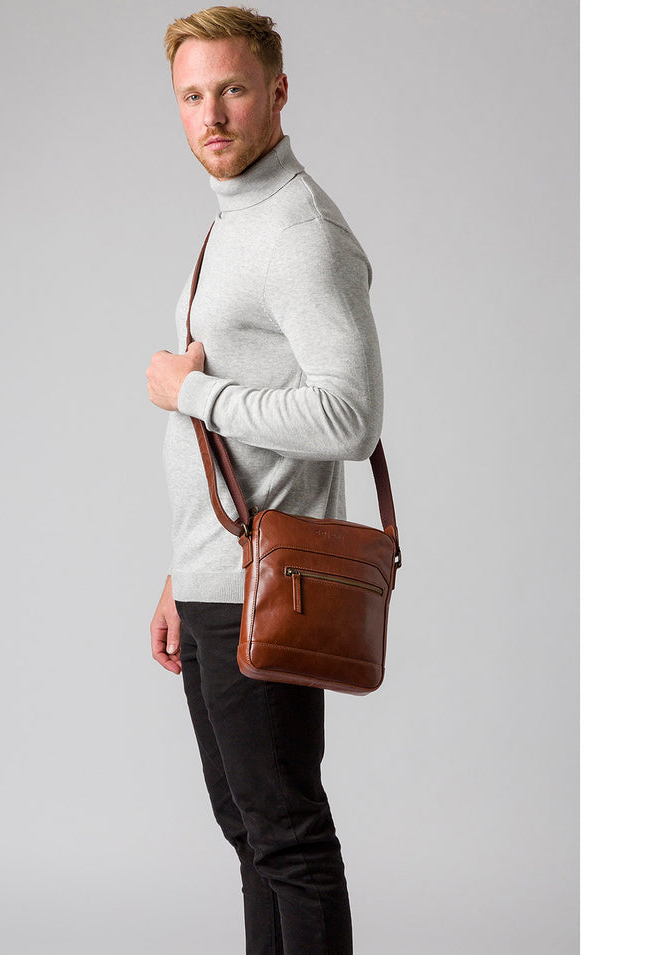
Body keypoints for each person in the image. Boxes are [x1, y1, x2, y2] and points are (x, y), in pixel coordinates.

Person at [145, 7, 384, 954]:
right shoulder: (233, 221)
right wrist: (182, 569)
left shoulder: (298, 231)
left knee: (287, 836)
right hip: (216, 577)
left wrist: (193, 391)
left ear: (278, 93)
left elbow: (350, 417)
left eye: (233, 90)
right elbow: (231, 444)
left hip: (265, 584)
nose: (211, 116)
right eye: (192, 96)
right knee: (251, 835)